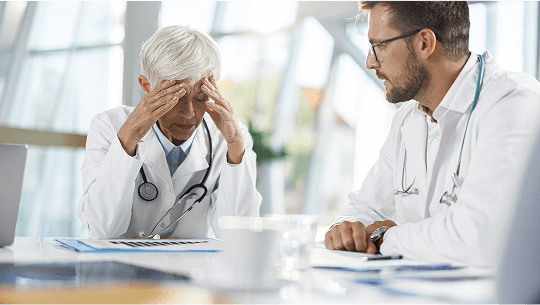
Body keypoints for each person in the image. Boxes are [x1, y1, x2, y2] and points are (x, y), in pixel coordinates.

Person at [325, 1, 540, 266]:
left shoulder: (512, 102)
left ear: (425, 43)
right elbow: (364, 209)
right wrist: (347, 229)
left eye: (379, 45)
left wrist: (385, 238)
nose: (370, 62)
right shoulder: (407, 120)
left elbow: (477, 236)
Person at [78, 25, 261, 239]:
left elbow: (240, 236)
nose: (189, 113)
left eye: (201, 98)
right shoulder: (109, 126)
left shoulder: (229, 140)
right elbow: (102, 229)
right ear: (147, 86)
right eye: (177, 97)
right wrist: (128, 139)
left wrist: (236, 148)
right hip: (117, 269)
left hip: (188, 270)